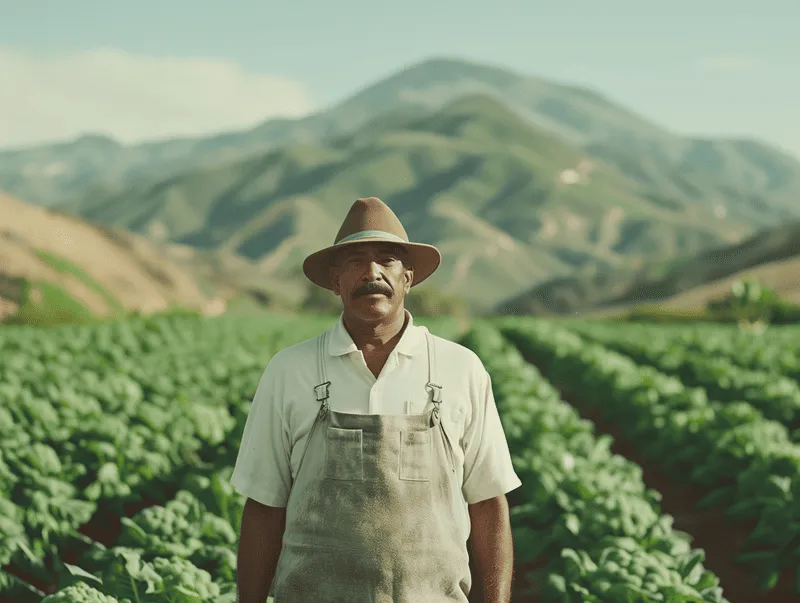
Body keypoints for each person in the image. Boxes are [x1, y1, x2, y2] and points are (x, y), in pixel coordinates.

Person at [230, 197, 522, 603]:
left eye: (387, 259)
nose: (372, 272)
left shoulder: (460, 369)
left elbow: (489, 503)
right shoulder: (290, 370)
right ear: (335, 281)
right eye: (354, 261)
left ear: (408, 278)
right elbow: (263, 507)